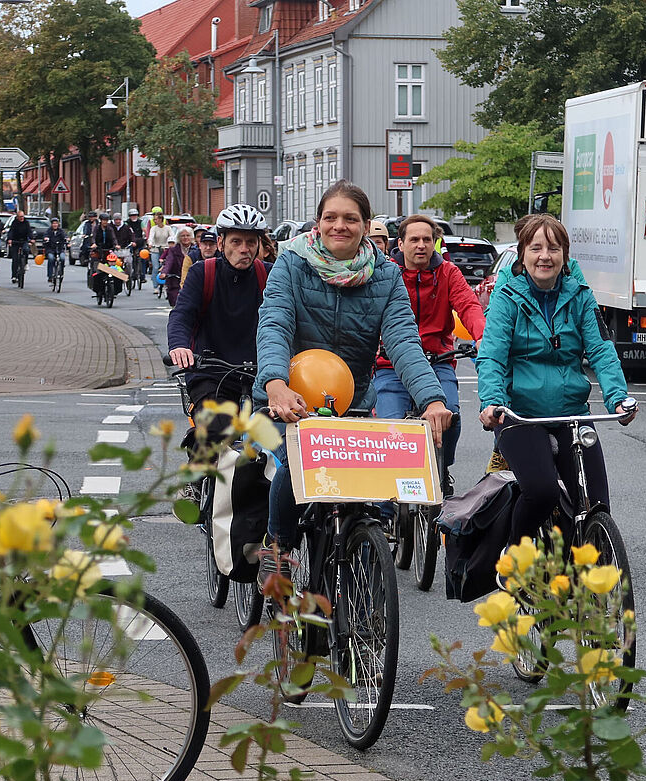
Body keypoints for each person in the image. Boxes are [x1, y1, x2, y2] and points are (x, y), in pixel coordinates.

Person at [254, 181, 452, 592]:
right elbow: (274, 324)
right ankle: (279, 549)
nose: (339, 225)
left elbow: (402, 340)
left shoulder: (386, 275)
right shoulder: (291, 263)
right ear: (318, 222)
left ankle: (362, 595)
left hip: (352, 403)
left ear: (365, 226)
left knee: (363, 499)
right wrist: (275, 383)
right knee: (296, 464)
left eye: (350, 219)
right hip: (287, 400)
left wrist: (432, 399)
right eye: (331, 217)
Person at [477, 214, 636, 546]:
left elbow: (601, 349)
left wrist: (618, 398)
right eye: (536, 248)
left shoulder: (579, 295)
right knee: (542, 491)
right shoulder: (507, 297)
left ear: (565, 256)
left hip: (571, 412)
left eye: (553, 248)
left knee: (596, 502)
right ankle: (515, 556)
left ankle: (584, 574)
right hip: (519, 414)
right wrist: (492, 401)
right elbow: (491, 354)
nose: (544, 256)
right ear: (523, 254)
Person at [379, 214, 486, 500]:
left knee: (451, 413)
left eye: (428, 239)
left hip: (438, 360)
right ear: (399, 244)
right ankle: (387, 505)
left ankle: (441, 466)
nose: (422, 245)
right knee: (389, 428)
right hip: (391, 364)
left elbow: (469, 306)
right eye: (414, 239)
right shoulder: (386, 273)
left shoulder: (449, 273)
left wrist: (482, 338)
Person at [167, 205, 273, 480]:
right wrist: (180, 345)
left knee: (275, 436)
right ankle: (194, 479)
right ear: (222, 242)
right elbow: (182, 315)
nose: (244, 249)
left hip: (260, 374)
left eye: (251, 242)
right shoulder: (204, 273)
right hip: (211, 371)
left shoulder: (269, 275)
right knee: (218, 425)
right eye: (236, 242)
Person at [161, 226, 194, 307]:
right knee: (175, 301)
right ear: (179, 238)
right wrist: (164, 273)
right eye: (183, 236)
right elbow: (169, 261)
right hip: (176, 281)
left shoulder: (196, 249)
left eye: (187, 235)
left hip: (192, 281)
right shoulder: (173, 250)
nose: (185, 238)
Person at [5, 210, 32, 282]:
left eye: (23, 216)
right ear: (17, 217)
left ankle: (25, 263)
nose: (22, 218)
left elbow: (29, 231)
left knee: (26, 250)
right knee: (15, 259)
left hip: (24, 240)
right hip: (15, 241)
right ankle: (14, 276)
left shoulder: (26, 223)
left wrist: (31, 238)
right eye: (20, 217)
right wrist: (10, 239)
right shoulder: (14, 223)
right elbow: (11, 231)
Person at [44, 217, 67, 283]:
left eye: (56, 223)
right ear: (51, 224)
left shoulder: (61, 231)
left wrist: (66, 239)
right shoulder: (49, 231)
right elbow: (45, 236)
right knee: (51, 259)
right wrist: (46, 239)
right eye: (53, 223)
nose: (55, 225)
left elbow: (65, 236)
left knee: (62, 258)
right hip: (51, 249)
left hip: (60, 249)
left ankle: (61, 272)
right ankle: (50, 276)